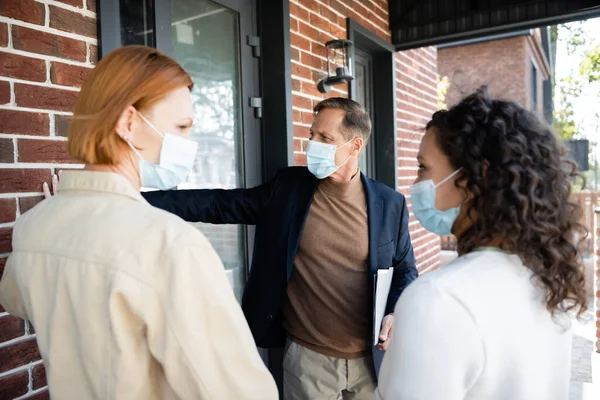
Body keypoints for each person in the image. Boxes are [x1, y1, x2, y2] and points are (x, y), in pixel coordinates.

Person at [0, 46, 278, 400]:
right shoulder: (170, 244)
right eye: (181, 127)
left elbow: (15, 300)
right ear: (129, 123)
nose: (190, 143)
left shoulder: (33, 226)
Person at [141, 97, 418, 399]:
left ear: (355, 146)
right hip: (308, 360)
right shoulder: (288, 188)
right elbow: (218, 205)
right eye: (312, 134)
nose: (312, 144)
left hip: (372, 360)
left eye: (325, 138)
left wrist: (393, 310)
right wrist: (135, 198)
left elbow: (405, 269)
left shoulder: (390, 203)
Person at [376, 87, 588, 400]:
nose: (416, 183)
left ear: (476, 179)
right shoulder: (549, 283)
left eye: (423, 167)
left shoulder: (438, 298)